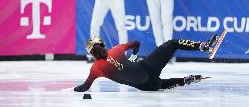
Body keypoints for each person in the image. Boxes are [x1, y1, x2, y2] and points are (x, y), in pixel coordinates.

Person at [74, 34, 218, 92]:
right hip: (148, 67)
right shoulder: (116, 50)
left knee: (159, 84)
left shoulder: (95, 69)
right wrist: (134, 55)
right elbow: (136, 43)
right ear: (103, 45)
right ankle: (203, 46)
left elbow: (84, 88)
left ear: (91, 54)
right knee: (172, 43)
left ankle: (185, 80)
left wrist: (76, 89)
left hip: (146, 86)